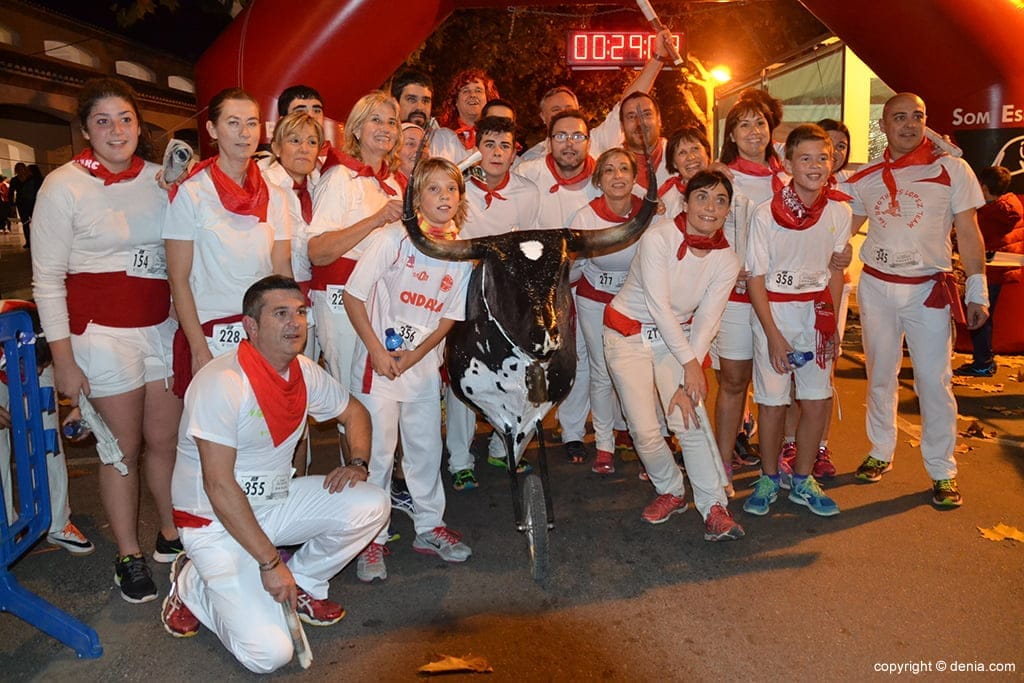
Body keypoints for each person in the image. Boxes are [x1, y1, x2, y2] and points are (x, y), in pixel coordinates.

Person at [159, 275, 388, 674]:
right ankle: (192, 584)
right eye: (280, 314)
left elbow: (355, 413)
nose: (295, 323)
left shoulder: (303, 371)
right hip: (215, 524)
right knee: (269, 655)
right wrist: (269, 563)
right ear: (250, 326)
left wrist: (357, 463)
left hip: (272, 505)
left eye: (299, 312)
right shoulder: (221, 382)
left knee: (372, 503)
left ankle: (305, 582)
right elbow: (218, 485)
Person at [32, 77, 182, 602]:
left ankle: (170, 533)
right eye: (102, 121)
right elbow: (47, 280)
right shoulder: (63, 185)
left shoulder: (160, 180)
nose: (116, 130)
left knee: (165, 442)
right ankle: (128, 554)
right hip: (100, 334)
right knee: (121, 450)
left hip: (160, 327)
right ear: (85, 130)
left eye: (125, 119)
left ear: (138, 125)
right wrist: (64, 359)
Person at [847, 93, 989, 507]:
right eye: (899, 117)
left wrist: (977, 290)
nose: (909, 125)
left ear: (926, 122)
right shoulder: (865, 176)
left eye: (917, 116)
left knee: (934, 380)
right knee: (880, 375)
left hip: (928, 290)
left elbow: (969, 231)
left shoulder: (952, 168)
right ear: (882, 126)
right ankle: (880, 450)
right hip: (876, 287)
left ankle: (942, 470)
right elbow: (841, 228)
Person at [343, 158, 473, 582]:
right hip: (378, 367)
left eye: (451, 189)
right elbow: (353, 295)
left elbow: (449, 317)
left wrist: (416, 357)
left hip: (420, 369)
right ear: (417, 197)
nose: (444, 197)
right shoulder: (393, 238)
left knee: (425, 452)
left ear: (460, 198)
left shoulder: (460, 251)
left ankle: (429, 527)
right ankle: (371, 539)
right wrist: (377, 350)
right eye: (433, 189)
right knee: (379, 455)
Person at [603, 170, 744, 541]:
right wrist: (691, 364)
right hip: (627, 333)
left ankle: (714, 507)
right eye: (702, 197)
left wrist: (689, 373)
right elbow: (658, 305)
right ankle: (671, 488)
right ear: (686, 202)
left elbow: (708, 320)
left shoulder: (727, 260)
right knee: (644, 428)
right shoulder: (659, 238)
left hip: (676, 338)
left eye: (720, 200)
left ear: (728, 210)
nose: (710, 207)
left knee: (688, 417)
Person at [743, 124, 851, 518]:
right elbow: (755, 278)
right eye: (805, 158)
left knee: (816, 399)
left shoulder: (839, 211)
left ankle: (803, 479)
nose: (815, 166)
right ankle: (769, 476)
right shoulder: (765, 214)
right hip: (775, 313)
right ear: (787, 164)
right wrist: (773, 336)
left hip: (816, 315)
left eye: (823, 158)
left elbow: (835, 271)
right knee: (773, 403)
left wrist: (832, 326)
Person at [164, 87, 293, 399]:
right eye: (233, 123)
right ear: (212, 129)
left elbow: (281, 270)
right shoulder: (192, 192)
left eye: (251, 123)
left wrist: (287, 329)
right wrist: (198, 349)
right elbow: (178, 279)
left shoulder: (275, 195)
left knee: (266, 422)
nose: (244, 133)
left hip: (264, 333)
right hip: (212, 334)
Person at [444, 115, 540, 490]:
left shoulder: (528, 192)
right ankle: (459, 458)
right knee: (465, 374)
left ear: (514, 152)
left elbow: (528, 244)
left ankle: (504, 447)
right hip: (464, 292)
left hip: (507, 295)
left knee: (512, 372)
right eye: (489, 145)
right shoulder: (457, 187)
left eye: (504, 146)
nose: (497, 153)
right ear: (476, 149)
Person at [306, 91, 403, 461]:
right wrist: (376, 219)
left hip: (382, 301)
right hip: (339, 300)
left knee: (381, 394)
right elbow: (318, 251)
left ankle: (380, 479)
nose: (385, 128)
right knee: (353, 397)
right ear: (357, 129)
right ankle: (358, 480)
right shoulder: (339, 177)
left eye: (391, 121)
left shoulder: (394, 183)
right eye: (376, 120)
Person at [712, 92, 789, 486]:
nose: (754, 131)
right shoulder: (721, 178)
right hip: (737, 298)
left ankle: (777, 463)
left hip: (781, 299)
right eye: (743, 124)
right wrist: (730, 267)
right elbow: (706, 231)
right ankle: (721, 462)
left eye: (760, 122)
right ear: (731, 134)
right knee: (733, 380)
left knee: (779, 385)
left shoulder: (788, 178)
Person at [570, 148, 645, 474]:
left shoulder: (650, 213)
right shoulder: (585, 218)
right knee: (601, 371)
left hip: (636, 303)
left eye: (624, 169)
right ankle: (604, 446)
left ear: (634, 177)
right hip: (594, 301)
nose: (617, 176)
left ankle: (637, 433)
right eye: (609, 170)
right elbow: (572, 266)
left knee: (637, 371)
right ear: (599, 180)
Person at [0, 299, 94, 555]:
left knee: (45, 437)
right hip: (10, 349)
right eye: (37, 365)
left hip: (28, 346)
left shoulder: (48, 327)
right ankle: (5, 524)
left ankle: (55, 520)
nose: (40, 370)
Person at [518, 29, 674, 164]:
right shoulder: (530, 161)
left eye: (569, 108)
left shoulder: (597, 142)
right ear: (543, 117)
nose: (564, 114)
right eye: (556, 110)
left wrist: (658, 57)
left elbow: (629, 103)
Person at [261, 111, 323, 363]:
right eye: (294, 140)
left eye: (312, 142)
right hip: (276, 293)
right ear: (276, 147)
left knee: (309, 369)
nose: (304, 148)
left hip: (315, 295)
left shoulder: (322, 186)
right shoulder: (262, 183)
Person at [955, 165, 1023, 377]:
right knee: (986, 317)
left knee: (978, 316)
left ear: (983, 187)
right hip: (1002, 269)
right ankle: (984, 360)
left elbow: (971, 239)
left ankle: (983, 362)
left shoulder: (987, 216)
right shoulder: (1010, 206)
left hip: (987, 271)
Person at [430, 69, 499, 165]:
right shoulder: (443, 137)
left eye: (478, 91)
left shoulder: (498, 137)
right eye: (466, 91)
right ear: (456, 101)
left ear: (487, 99)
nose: (472, 95)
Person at [273, 84, 341, 171]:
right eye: (300, 111)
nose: (311, 116)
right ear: (283, 121)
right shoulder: (265, 169)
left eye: (317, 111)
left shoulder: (341, 163)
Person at [9, 161, 41, 249]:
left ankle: (37, 240)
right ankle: (28, 242)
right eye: (18, 169)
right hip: (21, 203)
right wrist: (12, 205)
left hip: (32, 202)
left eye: (22, 168)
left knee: (36, 222)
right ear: (16, 170)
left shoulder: (31, 178)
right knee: (25, 223)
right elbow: (11, 193)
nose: (21, 170)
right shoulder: (14, 180)